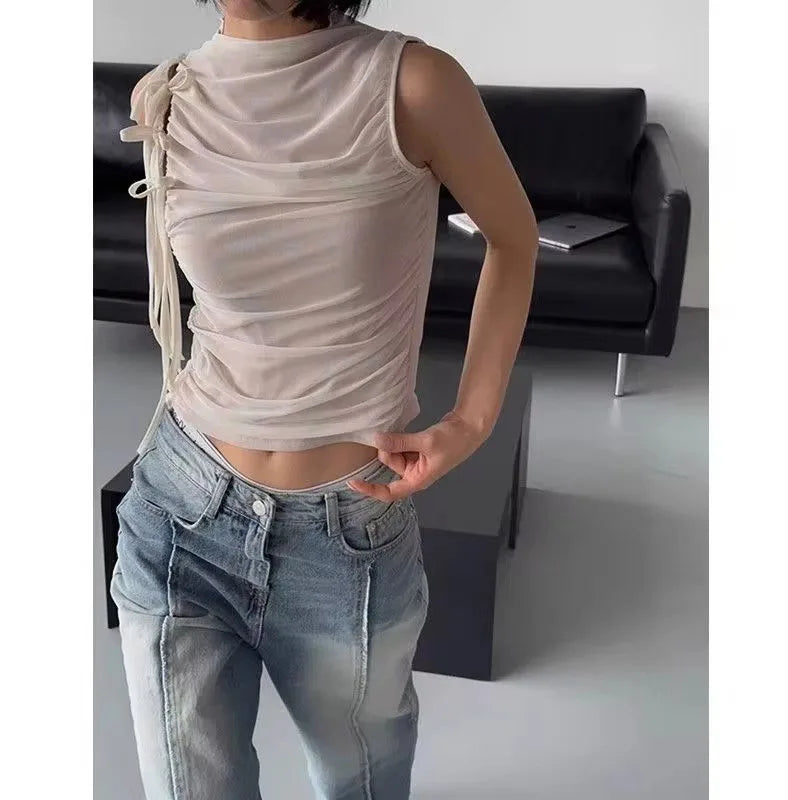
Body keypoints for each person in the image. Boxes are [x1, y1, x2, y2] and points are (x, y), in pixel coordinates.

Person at [110, 0, 538, 797]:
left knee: (361, 784)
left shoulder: (411, 82)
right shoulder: (165, 94)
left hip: (343, 535)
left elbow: (513, 238)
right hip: (179, 505)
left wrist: (471, 421)